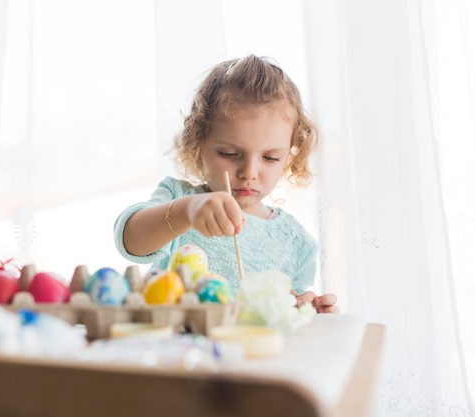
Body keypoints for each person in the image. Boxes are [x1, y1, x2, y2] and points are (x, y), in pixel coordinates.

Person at [114, 55, 338, 313]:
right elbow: (130, 240)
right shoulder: (178, 199)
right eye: (229, 154)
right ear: (199, 144)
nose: (248, 172)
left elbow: (288, 317)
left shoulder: (296, 242)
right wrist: (186, 211)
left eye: (270, 158)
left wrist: (309, 312)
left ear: (290, 155)